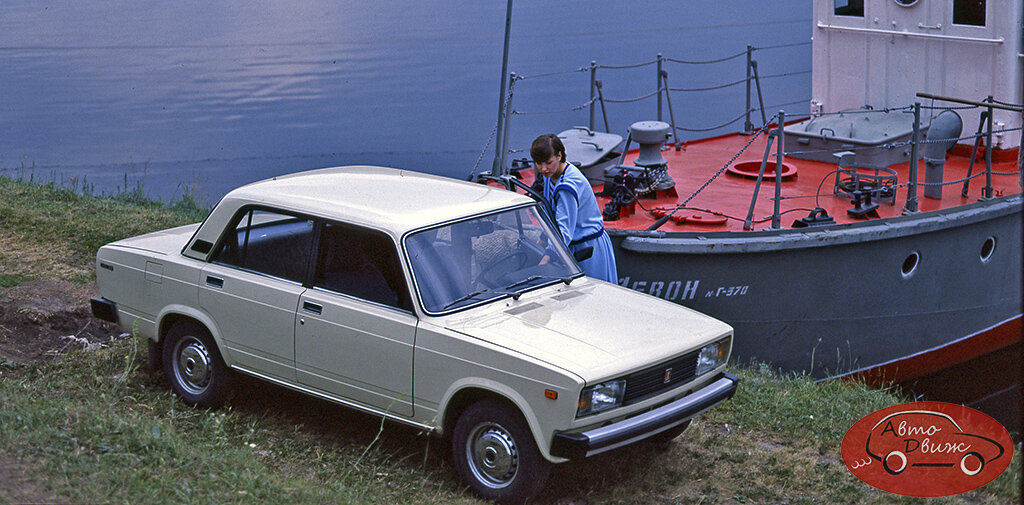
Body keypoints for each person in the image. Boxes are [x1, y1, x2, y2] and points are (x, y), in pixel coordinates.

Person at [530, 133, 618, 283]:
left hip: (588, 249)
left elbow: (564, 231)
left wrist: (544, 261)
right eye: (538, 163)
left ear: (559, 156)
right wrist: (543, 239)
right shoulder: (551, 175)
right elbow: (552, 215)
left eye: (548, 162)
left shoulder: (567, 187)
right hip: (575, 245)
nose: (543, 169)